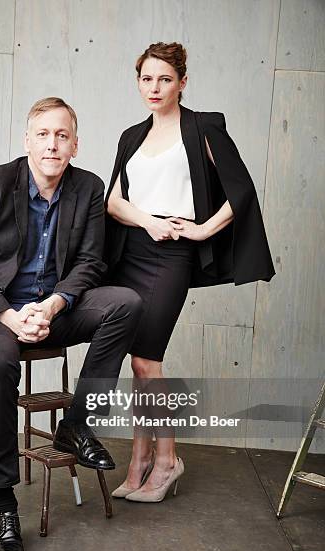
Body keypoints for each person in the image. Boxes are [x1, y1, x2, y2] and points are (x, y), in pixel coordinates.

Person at [0, 97, 142, 551]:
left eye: (62, 135)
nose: (52, 144)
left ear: (75, 144)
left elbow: (93, 262)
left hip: (53, 307)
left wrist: (52, 306)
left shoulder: (89, 188)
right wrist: (8, 316)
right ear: (27, 140)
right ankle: (4, 508)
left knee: (126, 304)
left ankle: (75, 426)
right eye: (43, 134)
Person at [105, 42, 275, 503]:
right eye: (146, 79)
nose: (154, 88)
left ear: (182, 81)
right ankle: (140, 462)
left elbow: (241, 193)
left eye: (164, 79)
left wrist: (200, 232)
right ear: (137, 82)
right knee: (136, 363)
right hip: (132, 253)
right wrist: (148, 221)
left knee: (146, 361)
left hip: (171, 257)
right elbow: (114, 202)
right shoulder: (130, 136)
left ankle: (165, 460)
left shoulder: (202, 128)